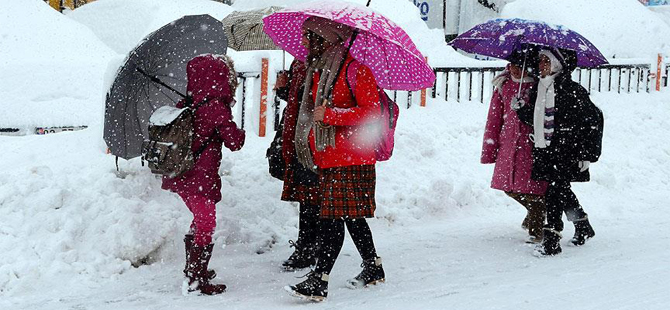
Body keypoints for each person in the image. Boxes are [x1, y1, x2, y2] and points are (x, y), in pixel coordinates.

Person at [285, 17, 385, 302]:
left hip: (352, 158)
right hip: (329, 157)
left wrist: (331, 116)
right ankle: (373, 267)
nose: (304, 42)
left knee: (330, 219)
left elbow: (372, 114)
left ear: (325, 39)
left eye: (308, 36)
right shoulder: (320, 72)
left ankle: (320, 279)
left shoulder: (356, 70)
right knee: (352, 218)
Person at [162, 54, 246, 294]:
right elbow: (234, 142)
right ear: (220, 78)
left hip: (180, 173)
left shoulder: (187, 103)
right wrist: (238, 131)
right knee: (206, 223)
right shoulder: (215, 107)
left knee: (200, 220)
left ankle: (194, 270)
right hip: (199, 176)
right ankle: (196, 279)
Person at [515, 48, 601, 256]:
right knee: (560, 189)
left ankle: (552, 238)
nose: (541, 64)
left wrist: (587, 154)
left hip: (566, 149)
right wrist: (521, 109)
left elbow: (592, 121)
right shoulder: (538, 89)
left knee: (554, 191)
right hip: (544, 149)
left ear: (558, 64)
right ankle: (582, 225)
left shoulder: (572, 90)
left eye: (546, 60)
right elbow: (538, 120)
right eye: (540, 60)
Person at [481, 51, 548, 244]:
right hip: (507, 145)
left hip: (531, 144)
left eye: (520, 66)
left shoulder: (538, 87)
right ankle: (536, 210)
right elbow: (493, 120)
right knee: (508, 187)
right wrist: (489, 148)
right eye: (512, 65)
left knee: (532, 188)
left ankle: (536, 230)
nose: (515, 69)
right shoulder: (503, 86)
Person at [274, 59, 322, 271]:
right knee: (306, 197)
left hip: (312, 136)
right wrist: (284, 88)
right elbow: (296, 100)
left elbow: (314, 99)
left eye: (306, 34)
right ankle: (309, 245)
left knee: (312, 196)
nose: (302, 38)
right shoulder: (299, 62)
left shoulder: (322, 63)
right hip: (297, 136)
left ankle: (310, 247)